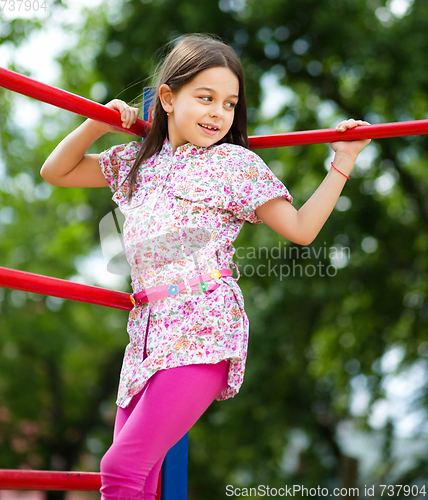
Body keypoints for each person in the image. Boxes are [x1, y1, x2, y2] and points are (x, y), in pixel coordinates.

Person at [40, 34, 370, 500]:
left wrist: (343, 163)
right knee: (137, 479)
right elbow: (57, 171)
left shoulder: (234, 164)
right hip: (147, 336)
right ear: (169, 99)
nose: (219, 113)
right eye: (206, 97)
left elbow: (300, 228)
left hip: (203, 326)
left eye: (230, 103)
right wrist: (98, 123)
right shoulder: (139, 162)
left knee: (120, 467)